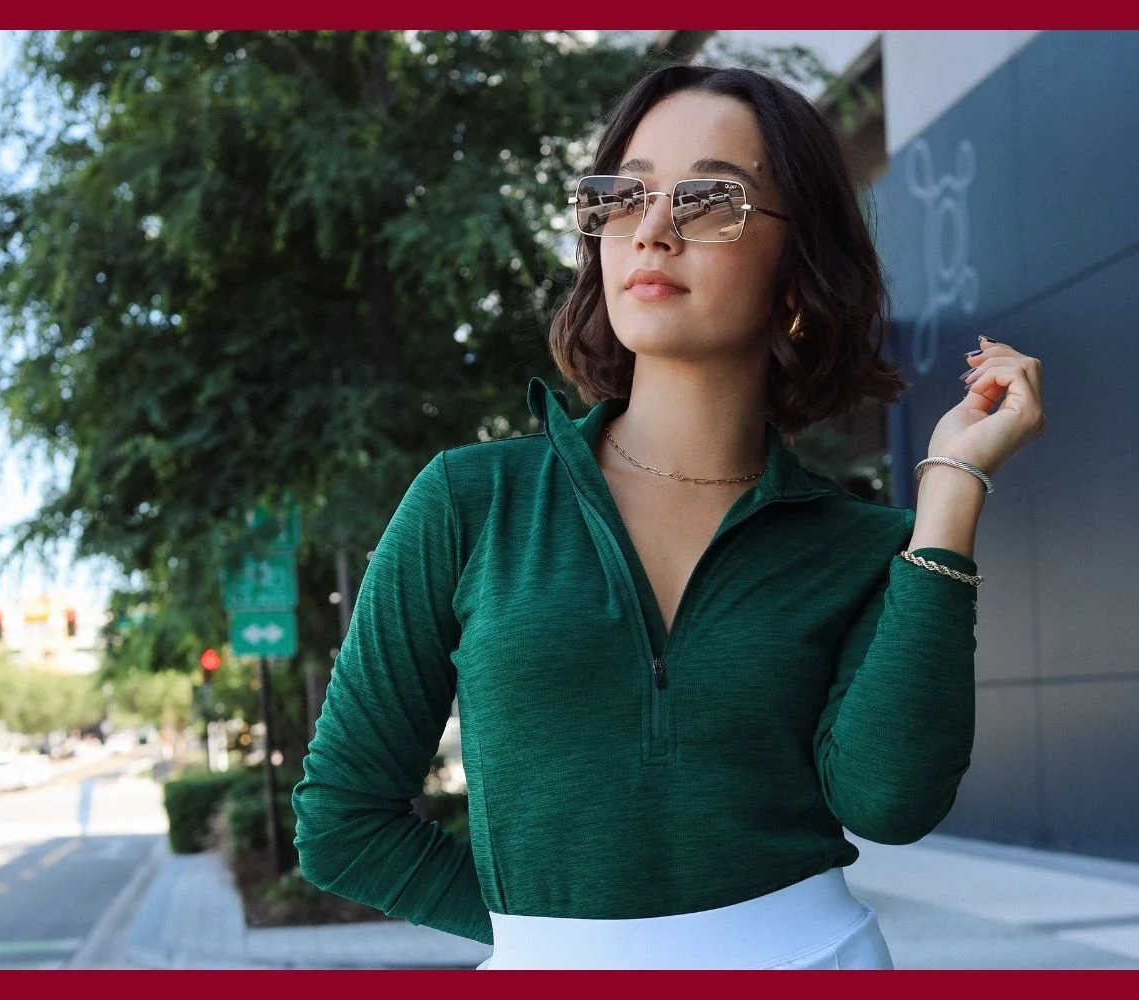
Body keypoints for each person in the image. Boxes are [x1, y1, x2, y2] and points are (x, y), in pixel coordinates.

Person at [292, 63, 1045, 970]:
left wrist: (952, 488)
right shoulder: (470, 502)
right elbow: (342, 823)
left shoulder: (867, 548)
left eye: (708, 200)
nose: (651, 230)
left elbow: (890, 802)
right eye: (625, 195)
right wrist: (559, 946)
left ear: (798, 265)